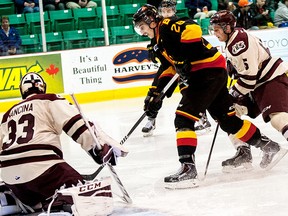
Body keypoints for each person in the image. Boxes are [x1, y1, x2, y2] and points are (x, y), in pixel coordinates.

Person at [133, 4, 284, 189]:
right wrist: (154, 95)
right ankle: (269, 147)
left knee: (183, 118)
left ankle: (188, 169)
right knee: (227, 120)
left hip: (206, 72)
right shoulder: (158, 44)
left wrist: (184, 58)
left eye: (141, 25)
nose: (140, 30)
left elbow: (192, 28)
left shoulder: (165, 25)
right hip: (212, 72)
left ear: (151, 21)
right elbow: (168, 68)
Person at [0, 72, 128, 215]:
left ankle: (18, 200)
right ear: (43, 87)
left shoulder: (7, 114)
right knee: (84, 193)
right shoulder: (49, 99)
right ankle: (59, 205)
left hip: (10, 176)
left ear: (22, 90)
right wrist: (96, 148)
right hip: (43, 168)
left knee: (31, 192)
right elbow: (76, 124)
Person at [210, 10, 288, 171]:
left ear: (227, 27)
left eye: (217, 29)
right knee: (227, 114)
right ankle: (244, 151)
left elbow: (249, 79)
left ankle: (271, 147)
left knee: (277, 119)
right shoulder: (233, 38)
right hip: (256, 84)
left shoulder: (239, 42)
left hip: (269, 79)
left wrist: (231, 94)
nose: (215, 33)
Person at [142, 0, 212, 137]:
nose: (167, 14)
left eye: (169, 11)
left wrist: (183, 61)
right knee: (154, 93)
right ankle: (151, 119)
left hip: (184, 64)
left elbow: (190, 37)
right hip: (170, 65)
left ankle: (202, 118)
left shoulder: (173, 25)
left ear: (174, 11)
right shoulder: (159, 28)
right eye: (164, 11)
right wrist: (153, 49)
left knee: (189, 92)